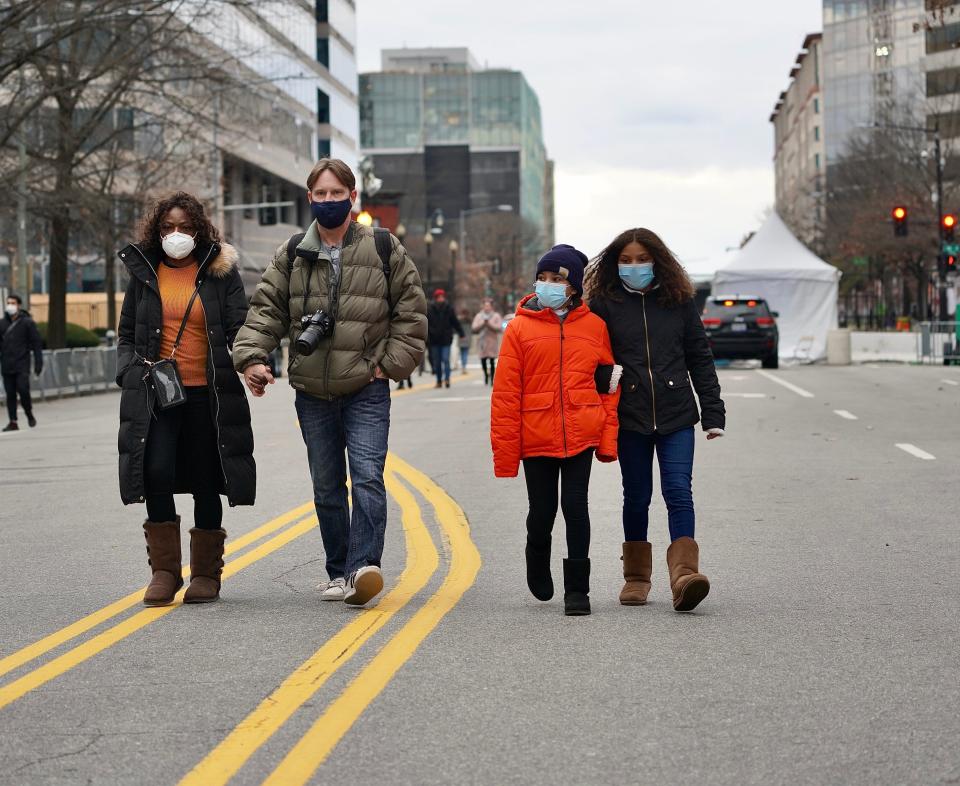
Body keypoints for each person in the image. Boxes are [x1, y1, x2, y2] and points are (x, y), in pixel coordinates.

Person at [232, 158, 426, 607]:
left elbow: (411, 312)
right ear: (310, 198)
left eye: (337, 193)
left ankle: (363, 568)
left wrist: (388, 366)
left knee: (368, 478)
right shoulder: (293, 252)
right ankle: (339, 570)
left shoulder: (382, 246)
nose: (329, 201)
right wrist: (253, 358)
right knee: (326, 486)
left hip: (367, 387)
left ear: (352, 197)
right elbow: (266, 310)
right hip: (312, 392)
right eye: (321, 194)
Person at [116, 191, 256, 606]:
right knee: (155, 471)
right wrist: (128, 370)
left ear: (198, 230)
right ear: (157, 231)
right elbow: (127, 333)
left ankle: (205, 575)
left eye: (184, 227)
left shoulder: (218, 272)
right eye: (168, 228)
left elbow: (239, 327)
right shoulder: (144, 271)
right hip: (156, 395)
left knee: (204, 480)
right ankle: (164, 572)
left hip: (206, 394)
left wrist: (253, 361)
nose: (176, 235)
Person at [585, 228, 725, 613]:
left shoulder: (678, 301)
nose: (634, 266)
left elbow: (699, 356)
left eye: (641, 259)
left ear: (657, 260)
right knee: (638, 496)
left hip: (676, 412)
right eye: (625, 260)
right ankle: (636, 578)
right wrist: (603, 378)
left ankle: (684, 577)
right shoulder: (603, 304)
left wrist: (712, 411)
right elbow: (587, 358)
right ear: (615, 265)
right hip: (629, 416)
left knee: (679, 491)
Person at [491, 245, 621, 616]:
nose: (548, 285)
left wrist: (606, 439)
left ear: (574, 287)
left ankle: (578, 589)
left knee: (576, 506)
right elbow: (505, 393)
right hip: (536, 434)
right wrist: (506, 454)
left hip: (581, 431)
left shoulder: (595, 327)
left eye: (558, 280)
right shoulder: (519, 328)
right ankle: (537, 557)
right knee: (543, 509)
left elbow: (609, 385)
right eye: (543, 278)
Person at [0, 294, 43, 432]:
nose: (10, 305)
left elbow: (36, 344)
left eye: (13, 303)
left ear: (18, 305)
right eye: (8, 302)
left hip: (22, 364)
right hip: (7, 364)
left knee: (23, 390)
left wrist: (38, 363)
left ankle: (29, 413)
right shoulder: (2, 324)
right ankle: (13, 421)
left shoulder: (27, 323)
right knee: (10, 394)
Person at [426, 289, 463, 388]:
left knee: (445, 359)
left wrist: (461, 333)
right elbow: (426, 324)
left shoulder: (449, 309)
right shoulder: (430, 309)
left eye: (442, 297)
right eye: (439, 297)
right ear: (436, 298)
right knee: (437, 362)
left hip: (446, 339)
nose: (441, 299)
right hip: (434, 340)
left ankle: (447, 379)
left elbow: (455, 321)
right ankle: (438, 380)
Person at [471, 297, 503, 385]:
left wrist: (489, 324)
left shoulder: (496, 316)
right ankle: (486, 375)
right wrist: (483, 324)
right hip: (482, 342)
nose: (486, 307)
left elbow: (499, 328)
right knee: (483, 360)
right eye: (485, 306)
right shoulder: (479, 316)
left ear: (491, 307)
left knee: (492, 360)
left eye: (488, 306)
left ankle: (492, 377)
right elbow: (474, 328)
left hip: (492, 341)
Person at [457, 309, 472, 374]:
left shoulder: (459, 320)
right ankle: (464, 367)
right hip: (467, 338)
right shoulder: (470, 320)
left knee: (462, 353)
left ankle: (463, 367)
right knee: (465, 353)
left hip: (461, 338)